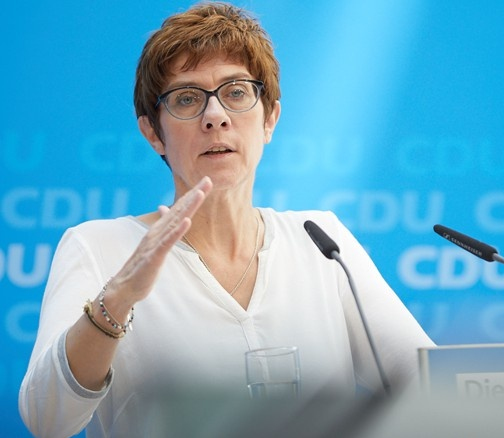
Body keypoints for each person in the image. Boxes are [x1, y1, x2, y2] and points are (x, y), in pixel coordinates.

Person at [18, 2, 434, 437]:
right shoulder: (100, 247)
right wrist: (117, 301)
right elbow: (47, 420)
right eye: (187, 98)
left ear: (270, 118)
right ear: (153, 132)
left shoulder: (319, 240)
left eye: (236, 92)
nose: (215, 116)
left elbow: (431, 386)